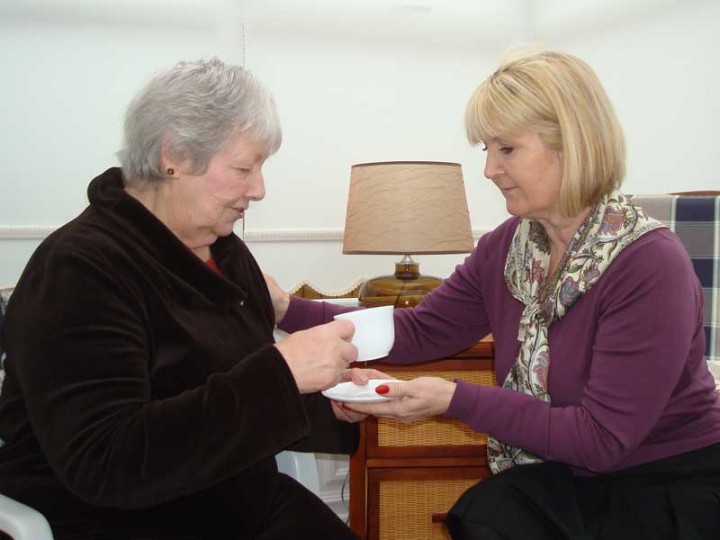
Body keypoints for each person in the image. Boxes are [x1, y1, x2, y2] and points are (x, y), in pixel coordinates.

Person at [267, 50, 720, 539]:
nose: (488, 170)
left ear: (573, 144)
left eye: (506, 150)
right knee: (486, 514)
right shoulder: (509, 246)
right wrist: (287, 310)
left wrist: (453, 398)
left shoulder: (649, 265)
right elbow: (418, 330)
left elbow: (602, 439)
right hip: (578, 475)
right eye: (486, 150)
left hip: (666, 480)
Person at [0, 58, 374, 539]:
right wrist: (281, 374)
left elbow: (230, 389)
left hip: (240, 502)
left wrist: (330, 400)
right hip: (126, 520)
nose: (258, 189)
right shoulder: (80, 269)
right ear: (172, 155)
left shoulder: (225, 252)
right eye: (244, 167)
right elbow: (107, 462)